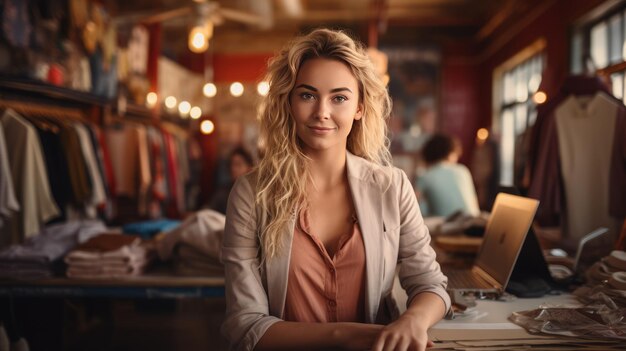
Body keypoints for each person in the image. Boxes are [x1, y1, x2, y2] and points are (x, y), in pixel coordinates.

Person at [221, 28, 450, 351]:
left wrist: (413, 321)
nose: (322, 112)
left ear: (359, 107)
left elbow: (430, 284)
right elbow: (245, 325)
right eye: (307, 95)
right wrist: (355, 335)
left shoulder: (392, 186)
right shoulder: (251, 193)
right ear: (288, 102)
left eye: (339, 97)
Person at [415, 133, 480, 217]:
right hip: (473, 222)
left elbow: (411, 206)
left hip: (447, 227)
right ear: (450, 154)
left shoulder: (425, 176)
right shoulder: (463, 170)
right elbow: (473, 205)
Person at [207, 146, 255, 214]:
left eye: (238, 165)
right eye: (232, 165)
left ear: (249, 168)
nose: (233, 169)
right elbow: (208, 209)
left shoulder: (256, 193)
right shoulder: (223, 192)